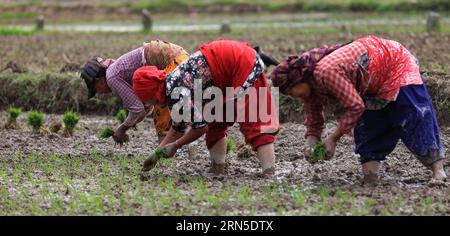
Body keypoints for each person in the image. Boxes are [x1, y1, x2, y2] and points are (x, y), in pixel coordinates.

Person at [271, 35, 446, 185]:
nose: (293, 96)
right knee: (369, 129)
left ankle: (438, 172)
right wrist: (311, 142)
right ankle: (371, 179)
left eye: (290, 91)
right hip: (369, 80)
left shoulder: (326, 72)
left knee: (413, 117)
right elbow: (314, 118)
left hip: (394, 64)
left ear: (299, 80)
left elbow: (355, 106)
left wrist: (333, 139)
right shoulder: (310, 89)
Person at [133, 39, 280, 176]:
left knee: (254, 120)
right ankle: (218, 169)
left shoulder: (175, 91)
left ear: (152, 95)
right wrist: (156, 154)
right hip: (221, 74)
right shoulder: (170, 85)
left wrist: (176, 145)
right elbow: (178, 128)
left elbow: (200, 128)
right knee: (215, 119)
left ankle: (269, 174)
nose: (153, 105)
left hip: (239, 62)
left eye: (150, 101)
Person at [80, 40, 188, 143]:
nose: (99, 93)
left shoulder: (111, 77)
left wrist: (122, 129)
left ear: (99, 80)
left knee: (162, 117)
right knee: (185, 113)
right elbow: (146, 105)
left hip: (172, 62)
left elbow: (137, 109)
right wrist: (133, 121)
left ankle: (164, 157)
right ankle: (185, 151)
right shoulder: (117, 69)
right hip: (180, 55)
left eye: (95, 89)